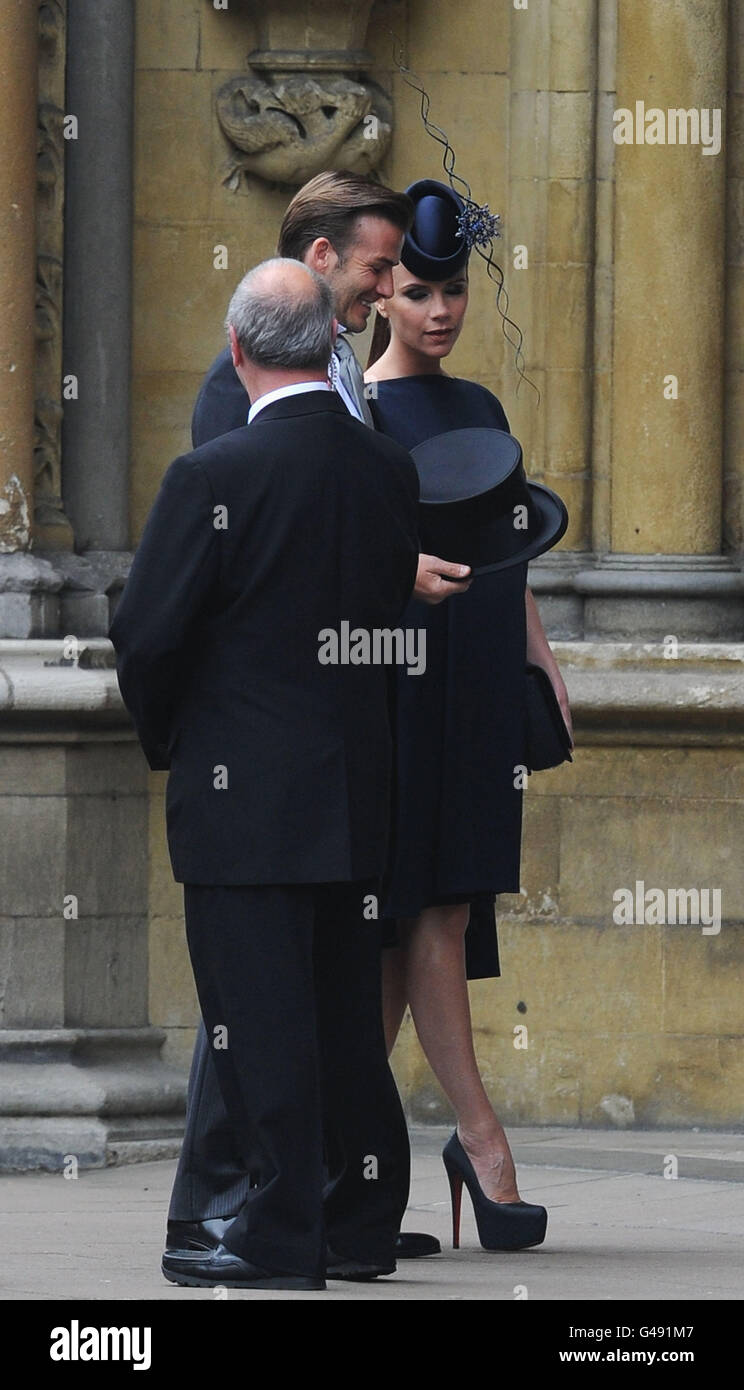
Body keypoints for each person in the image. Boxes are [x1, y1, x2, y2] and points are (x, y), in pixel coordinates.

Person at [167, 170, 462, 1266]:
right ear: (323, 256)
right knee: (251, 1007)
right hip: (271, 746)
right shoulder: (233, 390)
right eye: (381, 265)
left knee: (313, 999)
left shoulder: (344, 374)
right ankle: (229, 1203)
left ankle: (344, 1208)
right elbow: (232, 579)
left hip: (342, 737)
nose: (395, 287)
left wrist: (395, 574)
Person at [109, 259, 421, 1289]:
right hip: (350, 792)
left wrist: (178, 745)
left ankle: (281, 1235)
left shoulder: (214, 477)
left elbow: (147, 636)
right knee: (340, 1019)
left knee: (260, 1027)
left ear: (238, 352)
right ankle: (360, 1221)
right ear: (335, 346)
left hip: (244, 798)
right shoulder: (386, 469)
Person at [364, 179, 573, 1251]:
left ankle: (347, 1171)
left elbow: (513, 550)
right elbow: (340, 561)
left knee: (427, 925)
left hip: (484, 670)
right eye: (417, 291)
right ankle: (481, 1146)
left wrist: (541, 659)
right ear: (381, 298)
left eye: (451, 291)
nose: (440, 309)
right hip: (400, 676)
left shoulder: (482, 408)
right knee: (424, 914)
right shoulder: (357, 410)